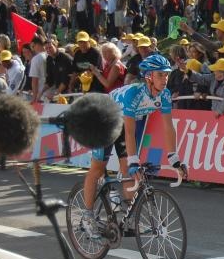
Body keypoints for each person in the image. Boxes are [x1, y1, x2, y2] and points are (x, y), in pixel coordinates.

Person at [79, 54, 184, 240]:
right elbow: (129, 132)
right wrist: (134, 160)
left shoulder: (165, 95)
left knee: (129, 170)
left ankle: (129, 217)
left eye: (167, 75)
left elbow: (169, 127)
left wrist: (174, 158)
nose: (165, 79)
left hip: (122, 124)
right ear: (149, 77)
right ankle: (87, 216)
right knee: (97, 168)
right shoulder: (134, 93)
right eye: (160, 75)